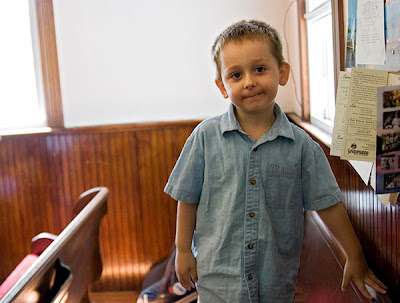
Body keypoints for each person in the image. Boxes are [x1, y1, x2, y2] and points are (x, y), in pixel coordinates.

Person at [164, 20, 387, 302]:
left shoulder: (302, 146)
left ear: (282, 73)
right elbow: (187, 196)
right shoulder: (205, 137)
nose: (249, 81)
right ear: (222, 86)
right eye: (236, 75)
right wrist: (183, 249)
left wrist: (354, 256)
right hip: (218, 283)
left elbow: (328, 202)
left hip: (275, 284)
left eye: (259, 69)